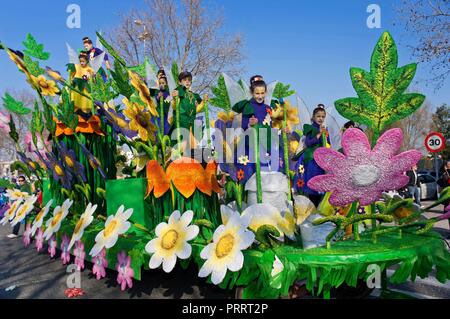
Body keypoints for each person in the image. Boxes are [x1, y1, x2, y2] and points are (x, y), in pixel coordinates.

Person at [294, 105, 331, 206]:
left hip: (321, 161)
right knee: (312, 182)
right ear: (313, 117)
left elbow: (328, 144)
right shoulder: (310, 128)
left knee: (321, 182)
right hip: (311, 159)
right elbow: (309, 143)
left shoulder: (325, 130)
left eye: (323, 117)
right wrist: (319, 134)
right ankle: (311, 205)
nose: (321, 118)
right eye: (318, 116)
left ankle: (318, 206)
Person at [170, 71, 208, 154]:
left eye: (189, 80)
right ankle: (178, 161)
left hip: (191, 123)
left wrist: (203, 102)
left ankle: (191, 162)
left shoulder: (194, 95)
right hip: (181, 122)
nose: (187, 81)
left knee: (193, 145)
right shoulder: (179, 91)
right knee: (181, 145)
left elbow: (196, 110)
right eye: (184, 80)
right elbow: (174, 106)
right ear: (180, 82)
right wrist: (174, 98)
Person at [150, 70, 171, 135]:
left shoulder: (168, 91)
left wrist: (165, 96)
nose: (161, 85)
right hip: (156, 114)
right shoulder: (155, 90)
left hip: (164, 115)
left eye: (163, 83)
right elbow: (153, 97)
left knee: (165, 129)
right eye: (160, 83)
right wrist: (158, 97)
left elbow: (169, 101)